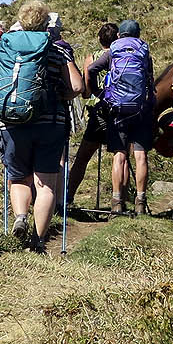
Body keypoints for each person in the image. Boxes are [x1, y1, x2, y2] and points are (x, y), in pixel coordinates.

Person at [0, 1, 84, 249]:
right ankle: (38, 241)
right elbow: (77, 86)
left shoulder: (3, 49)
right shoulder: (56, 50)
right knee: (45, 184)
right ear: (45, 24)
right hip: (50, 123)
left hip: (12, 122)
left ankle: (20, 217)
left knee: (19, 178)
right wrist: (61, 96)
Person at [97, 17, 156, 216]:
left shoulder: (113, 50)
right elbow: (149, 80)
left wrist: (99, 93)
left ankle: (116, 202)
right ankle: (140, 202)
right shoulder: (143, 51)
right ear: (138, 35)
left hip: (118, 109)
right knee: (140, 156)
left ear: (119, 34)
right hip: (140, 109)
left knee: (119, 155)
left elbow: (91, 69)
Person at [62, 21, 118, 212]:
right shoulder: (123, 55)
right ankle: (119, 200)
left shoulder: (92, 58)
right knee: (120, 157)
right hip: (120, 111)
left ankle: (68, 197)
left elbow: (86, 93)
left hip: (98, 111)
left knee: (83, 157)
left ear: (99, 39)